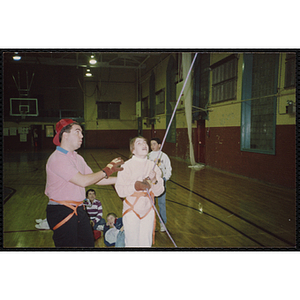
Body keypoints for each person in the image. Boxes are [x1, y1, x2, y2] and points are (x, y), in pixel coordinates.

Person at [45, 118, 124, 248]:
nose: (82, 136)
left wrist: (124, 180)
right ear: (64, 135)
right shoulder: (58, 158)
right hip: (61, 211)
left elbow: (95, 179)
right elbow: (83, 181)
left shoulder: (78, 157)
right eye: (77, 132)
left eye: (82, 132)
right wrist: (107, 170)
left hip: (79, 209)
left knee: (88, 245)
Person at [115, 136, 164, 247]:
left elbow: (159, 192)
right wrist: (135, 186)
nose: (144, 145)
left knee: (146, 243)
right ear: (133, 150)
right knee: (132, 243)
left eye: (145, 143)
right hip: (132, 210)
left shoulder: (153, 166)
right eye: (139, 143)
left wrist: (155, 180)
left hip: (148, 210)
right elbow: (120, 190)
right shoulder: (126, 166)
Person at [148, 137, 172, 232]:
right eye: (151, 144)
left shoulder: (164, 156)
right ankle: (152, 224)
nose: (152, 146)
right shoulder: (148, 156)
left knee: (161, 204)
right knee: (151, 204)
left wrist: (165, 178)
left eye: (154, 144)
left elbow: (168, 169)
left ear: (159, 145)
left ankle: (162, 223)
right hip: (150, 184)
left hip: (160, 183)